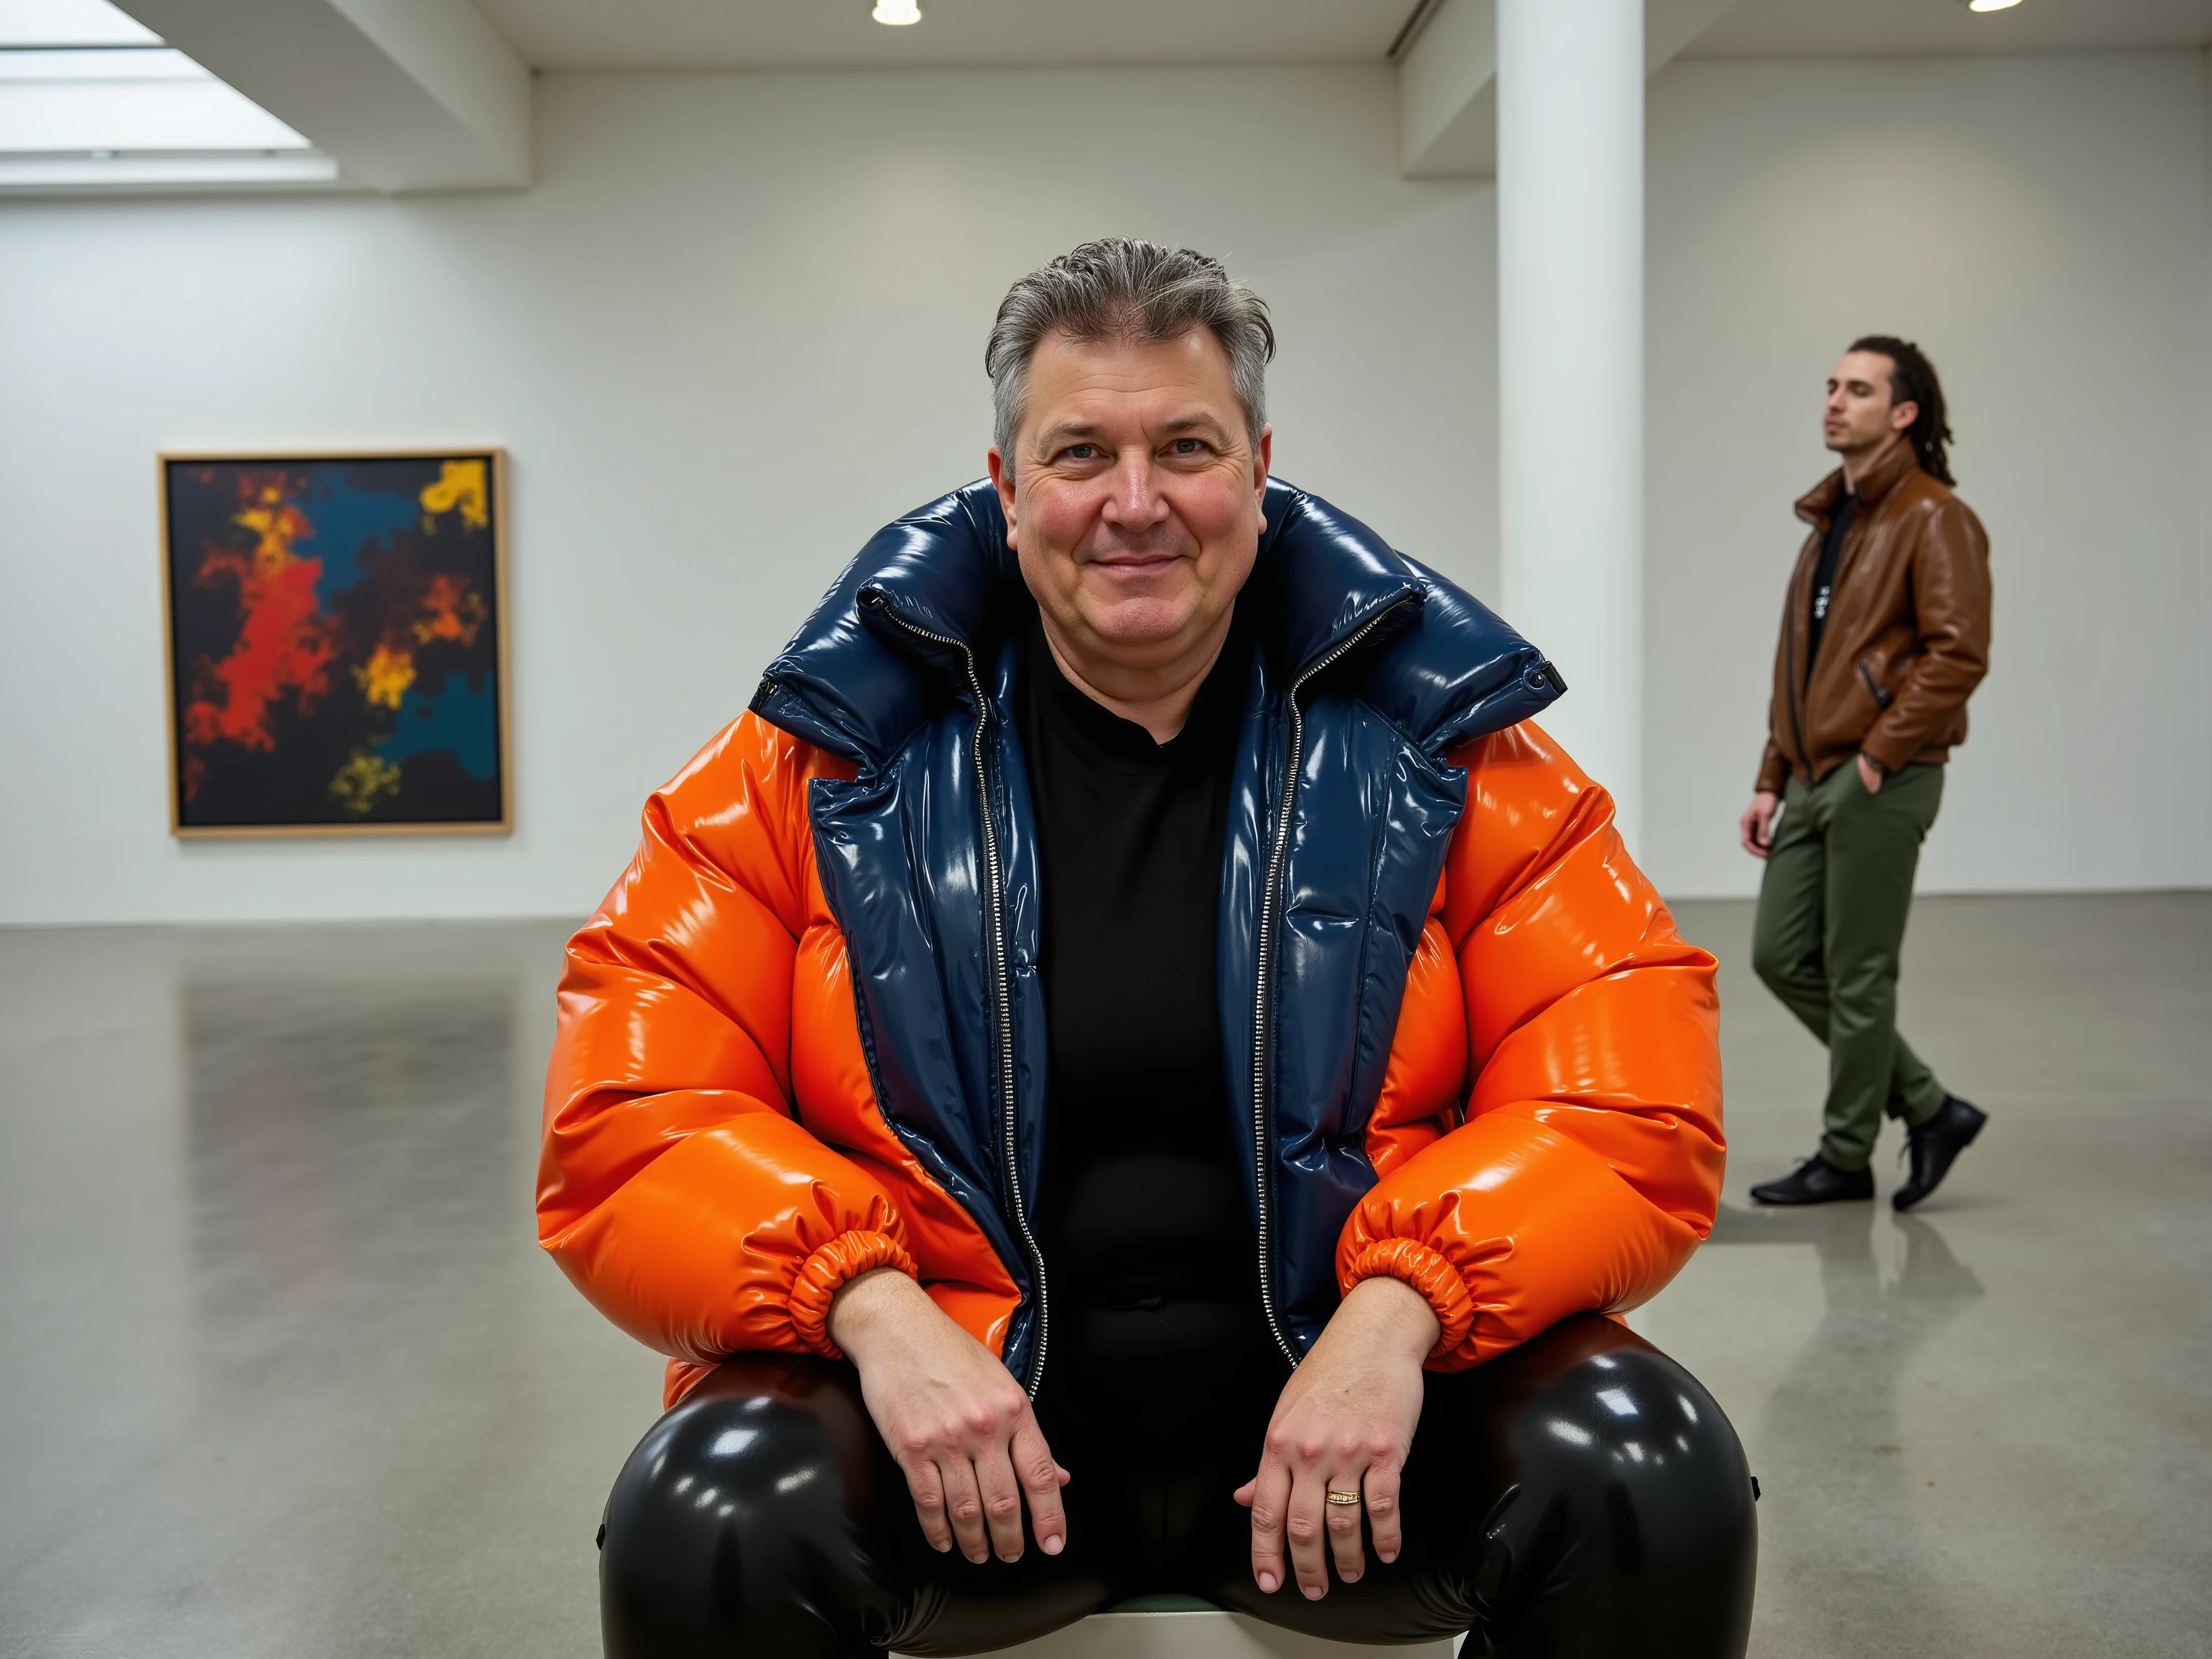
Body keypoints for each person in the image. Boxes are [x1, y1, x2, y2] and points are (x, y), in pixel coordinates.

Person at [540, 239, 1755, 1658]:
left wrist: (1400, 1310)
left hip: (1347, 1434)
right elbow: (631, 1120)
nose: (1135, 504)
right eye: (1079, 453)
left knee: (1648, 1469)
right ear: (1005, 490)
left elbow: (1623, 1097)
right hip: (969, 1449)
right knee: (711, 1508)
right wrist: (871, 1309)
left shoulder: (1454, 753)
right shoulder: (808, 766)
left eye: (1185, 445)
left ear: (1256, 467)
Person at [1740, 337, 1992, 1210]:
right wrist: (1773, 772)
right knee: (1778, 955)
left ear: (1905, 412)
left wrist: (1881, 757)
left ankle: (1845, 1154)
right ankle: (1929, 1107)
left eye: (1858, 389)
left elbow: (1958, 654)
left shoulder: (1935, 517)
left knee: (1859, 973)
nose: (1834, 402)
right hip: (1814, 774)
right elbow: (1801, 664)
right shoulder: (1833, 520)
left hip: (1885, 774)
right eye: (1831, 386)